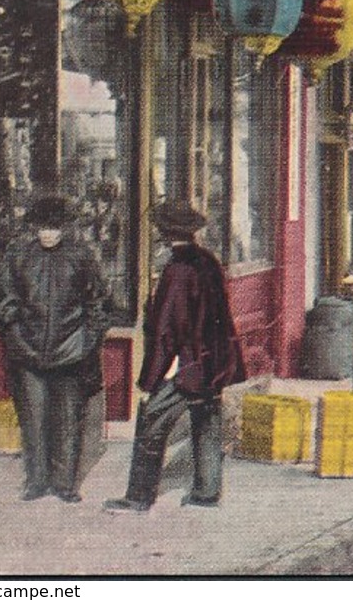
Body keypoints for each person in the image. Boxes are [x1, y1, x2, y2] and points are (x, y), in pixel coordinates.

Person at [105, 200, 245, 513]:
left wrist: (150, 378)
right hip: (215, 360)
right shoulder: (209, 261)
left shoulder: (176, 271)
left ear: (166, 235)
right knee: (207, 420)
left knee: (153, 421)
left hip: (189, 363)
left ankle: (139, 496)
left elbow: (168, 330)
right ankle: (207, 492)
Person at [0, 194, 110, 503]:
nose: (48, 234)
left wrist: (86, 342)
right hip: (28, 353)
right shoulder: (18, 255)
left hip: (71, 352)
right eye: (43, 228)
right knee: (34, 421)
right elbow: (5, 300)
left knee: (68, 421)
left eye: (54, 228)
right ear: (34, 228)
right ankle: (36, 481)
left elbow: (97, 302)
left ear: (64, 228)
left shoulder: (81, 256)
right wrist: (16, 334)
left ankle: (65, 484)